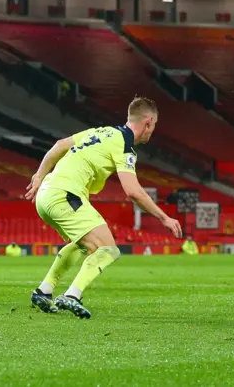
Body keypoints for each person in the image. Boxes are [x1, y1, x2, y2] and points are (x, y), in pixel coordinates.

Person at [27, 97, 182, 319]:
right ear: (148, 122)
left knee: (83, 244)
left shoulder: (101, 132)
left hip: (46, 195)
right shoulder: (124, 144)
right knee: (108, 249)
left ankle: (44, 291)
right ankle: (72, 295)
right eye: (154, 125)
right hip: (65, 195)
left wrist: (39, 175)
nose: (153, 131)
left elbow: (60, 145)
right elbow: (132, 191)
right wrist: (164, 218)